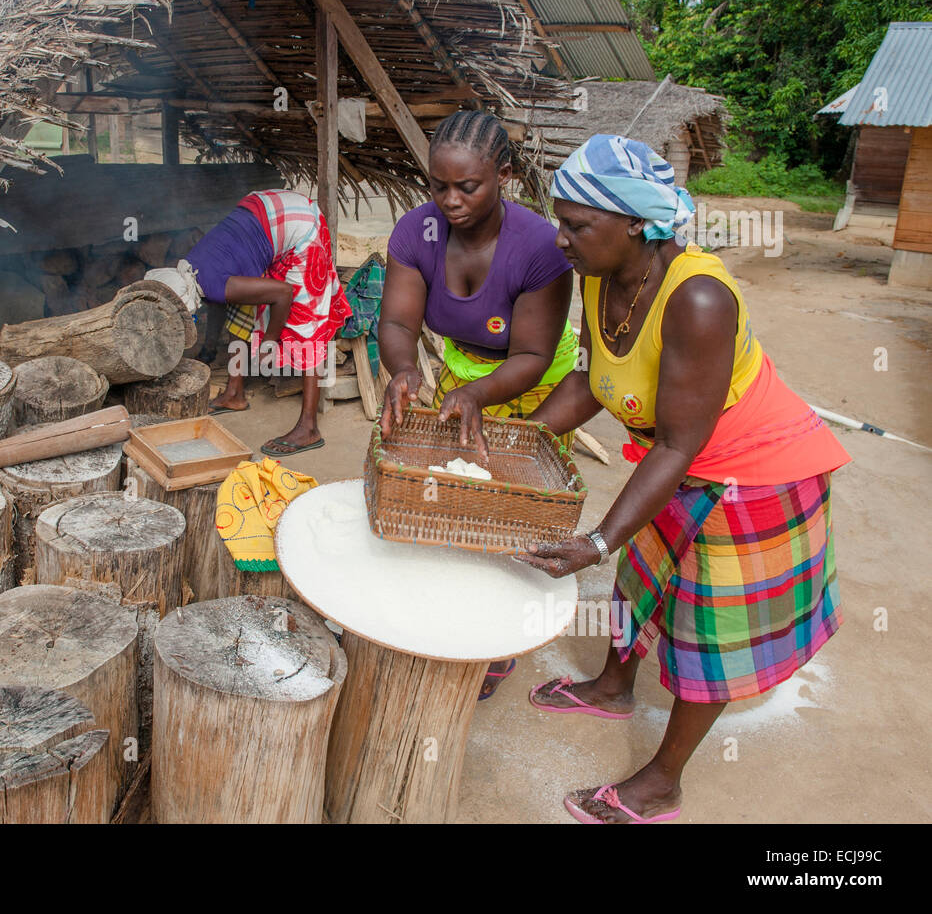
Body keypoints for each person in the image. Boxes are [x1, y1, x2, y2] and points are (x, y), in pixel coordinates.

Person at [515, 134, 850, 824]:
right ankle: (613, 689)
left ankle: (663, 781)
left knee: (709, 632)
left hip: (756, 476)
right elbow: (594, 376)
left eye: (576, 225)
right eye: (560, 220)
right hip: (681, 460)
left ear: (636, 223)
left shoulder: (698, 299)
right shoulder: (599, 268)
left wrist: (596, 540)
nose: (561, 239)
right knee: (642, 575)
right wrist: (521, 439)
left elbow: (676, 440)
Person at [378, 110, 578, 700]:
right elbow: (396, 320)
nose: (451, 200)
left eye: (468, 186)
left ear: (505, 176)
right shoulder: (417, 234)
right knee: (449, 490)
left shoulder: (539, 245)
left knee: (513, 508)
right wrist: (406, 370)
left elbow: (534, 352)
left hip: (531, 377)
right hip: (463, 369)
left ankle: (500, 641)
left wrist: (477, 395)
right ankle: (453, 613)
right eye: (439, 185)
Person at [183, 189, 350, 457]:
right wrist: (209, 346)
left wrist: (270, 340)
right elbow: (221, 303)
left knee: (305, 326)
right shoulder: (192, 266)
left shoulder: (211, 284)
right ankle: (235, 393)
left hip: (303, 230)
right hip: (269, 218)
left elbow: (283, 293)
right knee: (241, 304)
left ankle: (309, 427)